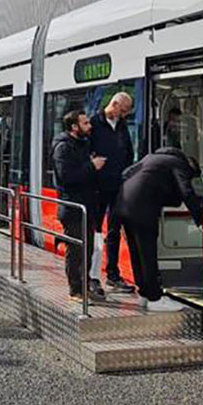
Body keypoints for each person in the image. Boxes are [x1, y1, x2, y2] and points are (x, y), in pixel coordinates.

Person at [113, 147, 203, 312]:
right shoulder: (178, 164)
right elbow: (186, 191)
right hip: (142, 209)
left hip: (123, 205)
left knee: (137, 252)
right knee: (148, 254)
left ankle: (144, 294)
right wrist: (200, 218)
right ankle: (155, 298)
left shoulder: (151, 158)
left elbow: (127, 173)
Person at [52, 110, 106, 302]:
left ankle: (83, 287)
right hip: (73, 209)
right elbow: (66, 177)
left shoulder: (83, 144)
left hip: (87, 207)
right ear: (74, 127)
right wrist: (92, 166)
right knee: (76, 252)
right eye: (85, 123)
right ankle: (75, 290)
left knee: (87, 250)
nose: (89, 126)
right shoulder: (63, 148)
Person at [89, 92, 136, 293]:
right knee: (96, 231)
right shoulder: (93, 124)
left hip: (118, 187)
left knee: (114, 231)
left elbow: (129, 153)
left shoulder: (122, 126)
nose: (124, 115)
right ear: (114, 104)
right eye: (123, 110)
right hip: (98, 188)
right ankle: (91, 276)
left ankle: (113, 275)